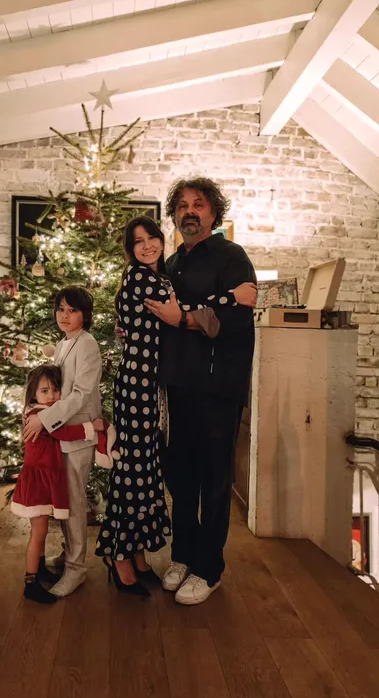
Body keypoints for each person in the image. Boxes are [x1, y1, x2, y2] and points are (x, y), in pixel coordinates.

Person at [102, 216, 256, 596]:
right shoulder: (148, 277)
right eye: (138, 242)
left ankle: (147, 557)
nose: (147, 245)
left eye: (151, 237)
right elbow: (183, 310)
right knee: (135, 471)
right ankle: (120, 556)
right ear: (130, 250)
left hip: (160, 386)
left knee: (149, 471)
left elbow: (177, 316)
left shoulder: (177, 269)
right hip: (141, 387)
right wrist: (231, 296)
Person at [144, 177, 257, 605]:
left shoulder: (232, 256)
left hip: (217, 387)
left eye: (199, 204)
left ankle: (209, 569)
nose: (189, 211)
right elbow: (164, 317)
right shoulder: (171, 264)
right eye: (182, 205)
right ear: (174, 214)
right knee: (181, 477)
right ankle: (184, 555)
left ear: (213, 213)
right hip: (177, 385)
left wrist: (185, 318)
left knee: (213, 480)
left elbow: (236, 319)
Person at [23, 286, 102, 597]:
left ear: (85, 314)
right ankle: (70, 555)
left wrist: (44, 419)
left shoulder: (88, 344)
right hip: (61, 432)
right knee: (65, 501)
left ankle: (76, 568)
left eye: (72, 310)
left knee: (75, 502)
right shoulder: (63, 343)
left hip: (77, 431)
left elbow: (81, 393)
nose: (65, 316)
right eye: (61, 309)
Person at [12, 364, 104, 604]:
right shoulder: (40, 415)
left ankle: (40, 569)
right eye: (45, 391)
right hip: (38, 483)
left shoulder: (42, 412)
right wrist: (91, 427)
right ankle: (30, 582)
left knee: (41, 532)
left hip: (43, 478)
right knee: (39, 532)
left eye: (55, 390)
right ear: (33, 394)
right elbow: (64, 434)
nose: (52, 396)